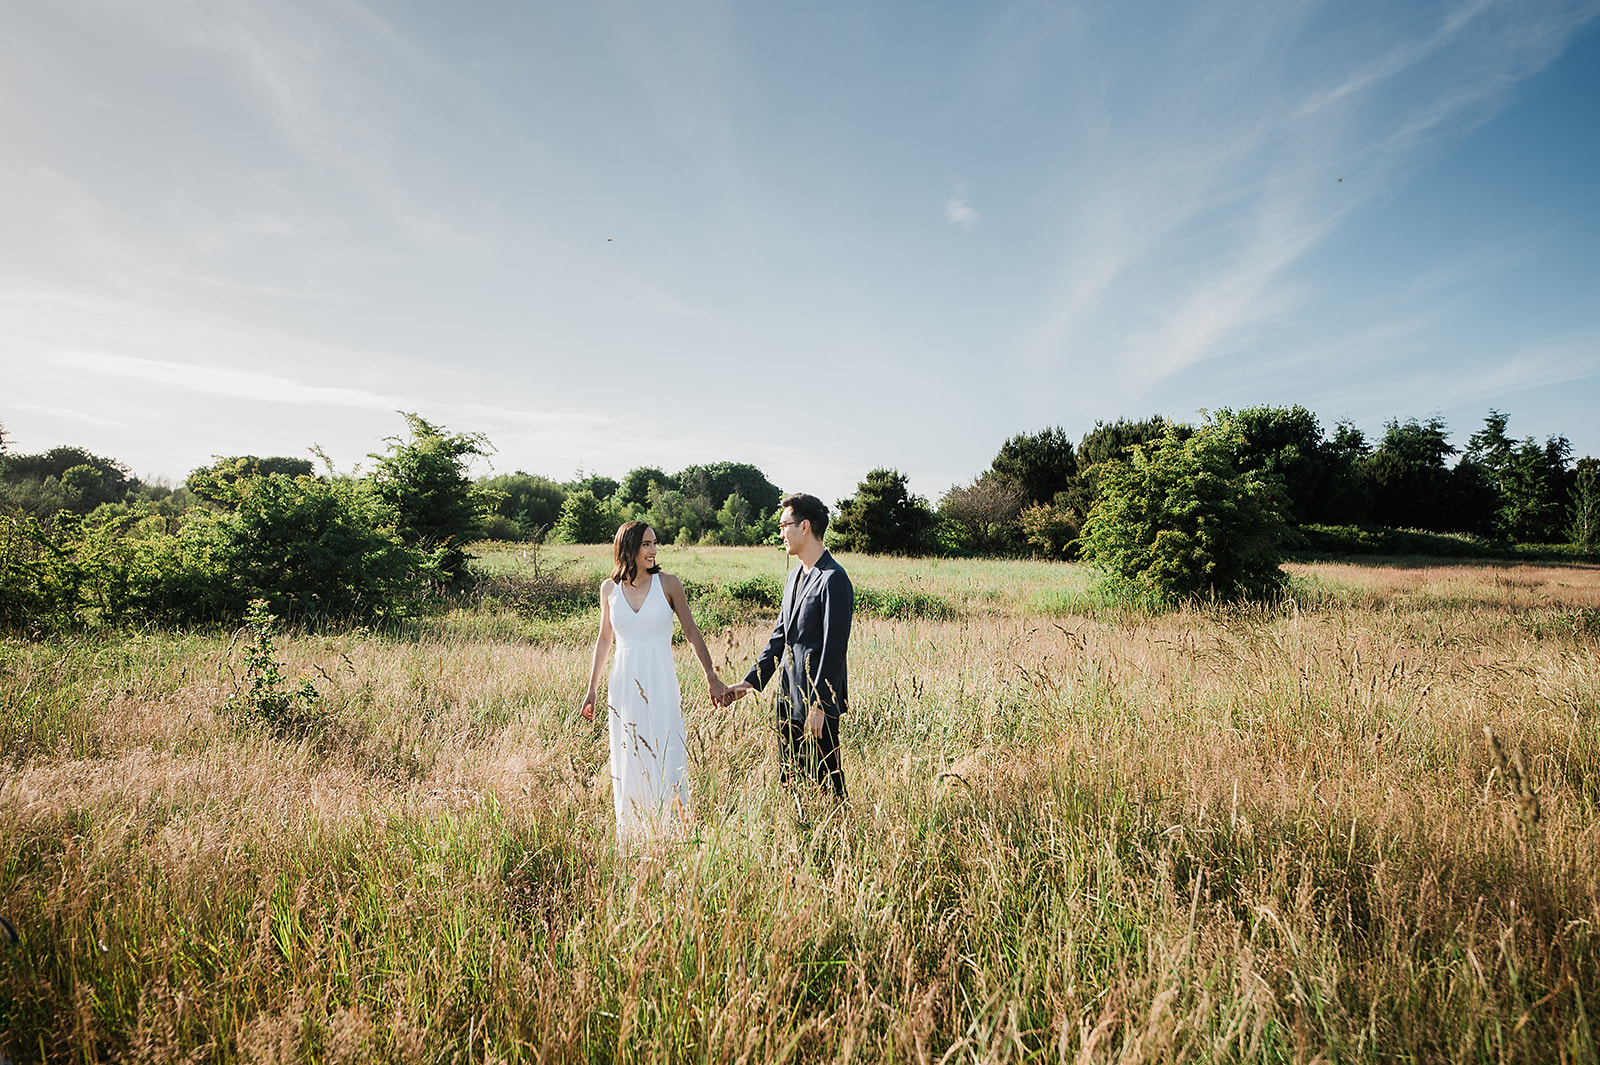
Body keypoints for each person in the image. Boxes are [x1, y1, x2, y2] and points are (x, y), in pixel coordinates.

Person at [581, 521, 727, 845]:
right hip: (623, 686)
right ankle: (633, 839)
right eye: (646, 544)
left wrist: (711, 676)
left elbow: (691, 632)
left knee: (666, 753)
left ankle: (673, 836)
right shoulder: (609, 589)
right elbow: (604, 639)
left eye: (654, 544)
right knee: (628, 757)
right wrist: (591, 688)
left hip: (661, 681)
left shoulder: (669, 584)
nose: (653, 550)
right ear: (628, 547)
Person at [721, 493, 853, 798]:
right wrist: (748, 683)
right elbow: (779, 638)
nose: (781, 533)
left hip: (818, 702)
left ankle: (838, 837)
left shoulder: (834, 579)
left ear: (805, 526)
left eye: (785, 525)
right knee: (791, 779)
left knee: (826, 783)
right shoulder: (793, 577)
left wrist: (821, 705)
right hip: (787, 695)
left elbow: (835, 648)